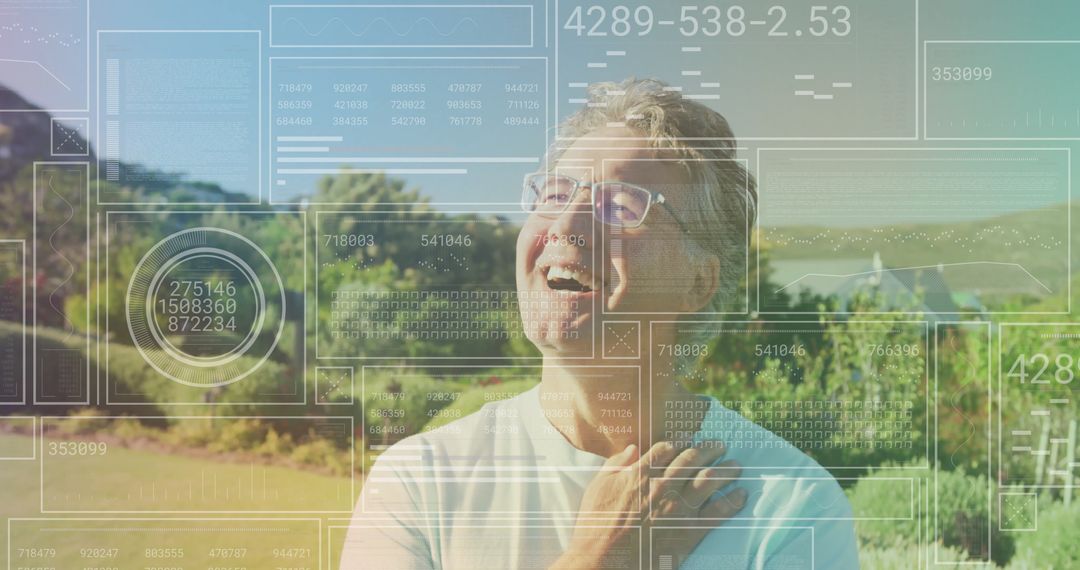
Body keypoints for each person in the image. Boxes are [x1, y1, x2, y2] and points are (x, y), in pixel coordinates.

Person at [341, 78, 859, 569]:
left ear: (699, 283)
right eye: (554, 195)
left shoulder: (792, 507)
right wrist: (598, 558)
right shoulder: (418, 479)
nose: (566, 224)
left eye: (620, 206)